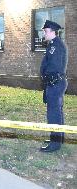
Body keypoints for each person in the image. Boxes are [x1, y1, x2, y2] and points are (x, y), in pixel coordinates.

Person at [40, 20, 68, 152]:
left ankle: (55, 144)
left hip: (55, 83)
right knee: (57, 112)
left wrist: (47, 78)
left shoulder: (56, 46)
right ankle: (58, 138)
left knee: (53, 114)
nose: (43, 33)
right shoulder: (53, 44)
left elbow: (54, 67)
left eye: (45, 31)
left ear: (52, 31)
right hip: (54, 83)